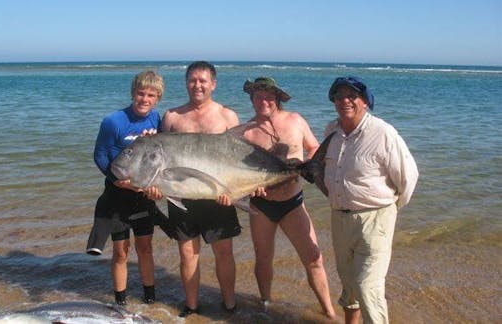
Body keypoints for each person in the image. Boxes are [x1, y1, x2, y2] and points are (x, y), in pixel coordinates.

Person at [145, 61, 241, 317]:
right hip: (182, 197)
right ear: (186, 83)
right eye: (192, 80)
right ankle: (192, 305)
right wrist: (156, 188)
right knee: (188, 254)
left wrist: (233, 190)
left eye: (202, 80)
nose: (197, 85)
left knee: (224, 252)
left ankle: (230, 304)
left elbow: (238, 159)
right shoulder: (173, 117)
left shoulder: (227, 116)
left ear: (213, 84)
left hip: (218, 197)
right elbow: (161, 161)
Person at [321, 76, 418, 324]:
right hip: (340, 219)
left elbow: (408, 177)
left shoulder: (383, 133)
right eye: (339, 95)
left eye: (351, 95)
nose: (344, 100)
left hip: (375, 219)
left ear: (365, 101)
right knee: (349, 284)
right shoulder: (331, 131)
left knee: (368, 287)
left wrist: (388, 209)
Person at [239, 77, 337, 320]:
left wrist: (308, 167)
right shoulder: (246, 132)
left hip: (293, 203)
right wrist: (251, 188)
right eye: (258, 96)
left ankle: (329, 312)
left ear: (278, 98)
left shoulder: (295, 120)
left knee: (314, 259)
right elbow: (241, 174)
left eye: (269, 96)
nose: (264, 100)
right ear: (251, 99)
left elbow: (314, 148)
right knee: (263, 259)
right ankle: (266, 306)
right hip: (262, 206)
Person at [89, 70, 165, 306]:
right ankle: (120, 302)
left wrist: (157, 187)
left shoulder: (157, 120)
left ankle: (150, 298)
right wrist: (115, 180)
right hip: (117, 195)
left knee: (145, 248)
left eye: (151, 95)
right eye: (141, 93)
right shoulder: (113, 121)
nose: (145, 99)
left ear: (157, 98)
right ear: (133, 93)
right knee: (121, 251)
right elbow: (100, 155)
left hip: (143, 195)